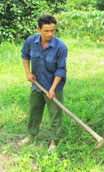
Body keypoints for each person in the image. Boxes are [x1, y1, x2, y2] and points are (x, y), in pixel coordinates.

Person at [19, 14, 68, 153]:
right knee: (34, 110)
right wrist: (28, 73)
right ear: (38, 29)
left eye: (53, 30)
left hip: (54, 87)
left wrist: (52, 89)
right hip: (37, 85)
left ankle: (54, 141)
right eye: (46, 31)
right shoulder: (31, 41)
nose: (50, 34)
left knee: (55, 114)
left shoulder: (60, 47)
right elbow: (25, 56)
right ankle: (31, 135)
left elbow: (61, 70)